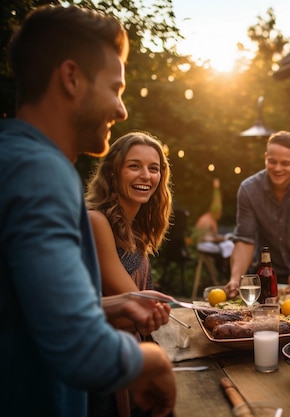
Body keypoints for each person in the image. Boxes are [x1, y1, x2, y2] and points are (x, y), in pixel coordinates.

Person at [0, 5, 175, 417]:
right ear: (72, 77)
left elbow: (21, 309)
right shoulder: (39, 171)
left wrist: (110, 306)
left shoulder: (13, 157)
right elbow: (81, 347)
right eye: (115, 88)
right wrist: (153, 363)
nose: (121, 109)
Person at [85, 131, 173, 417]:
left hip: (129, 355)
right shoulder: (97, 221)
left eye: (154, 168)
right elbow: (132, 303)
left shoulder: (135, 229)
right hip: (102, 367)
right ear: (113, 170)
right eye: (134, 166)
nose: (145, 175)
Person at [224, 130, 290, 297]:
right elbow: (245, 240)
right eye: (272, 161)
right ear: (265, 157)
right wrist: (235, 279)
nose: (277, 169)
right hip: (263, 276)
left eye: (285, 163)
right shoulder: (249, 190)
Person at [194, 178, 235, 261]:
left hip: (202, 243)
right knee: (229, 245)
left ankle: (217, 272)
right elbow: (211, 237)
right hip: (204, 244)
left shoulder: (205, 217)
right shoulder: (210, 220)